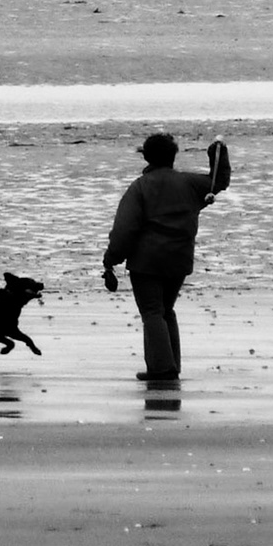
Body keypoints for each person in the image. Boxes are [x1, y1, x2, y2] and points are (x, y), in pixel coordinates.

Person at [101, 132, 230, 381]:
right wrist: (219, 154)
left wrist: (111, 259)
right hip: (179, 259)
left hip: (147, 262)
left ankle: (162, 369)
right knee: (165, 310)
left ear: (146, 156)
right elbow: (218, 181)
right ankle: (170, 366)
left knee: (152, 312)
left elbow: (125, 230)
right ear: (173, 156)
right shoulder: (190, 184)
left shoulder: (140, 187)